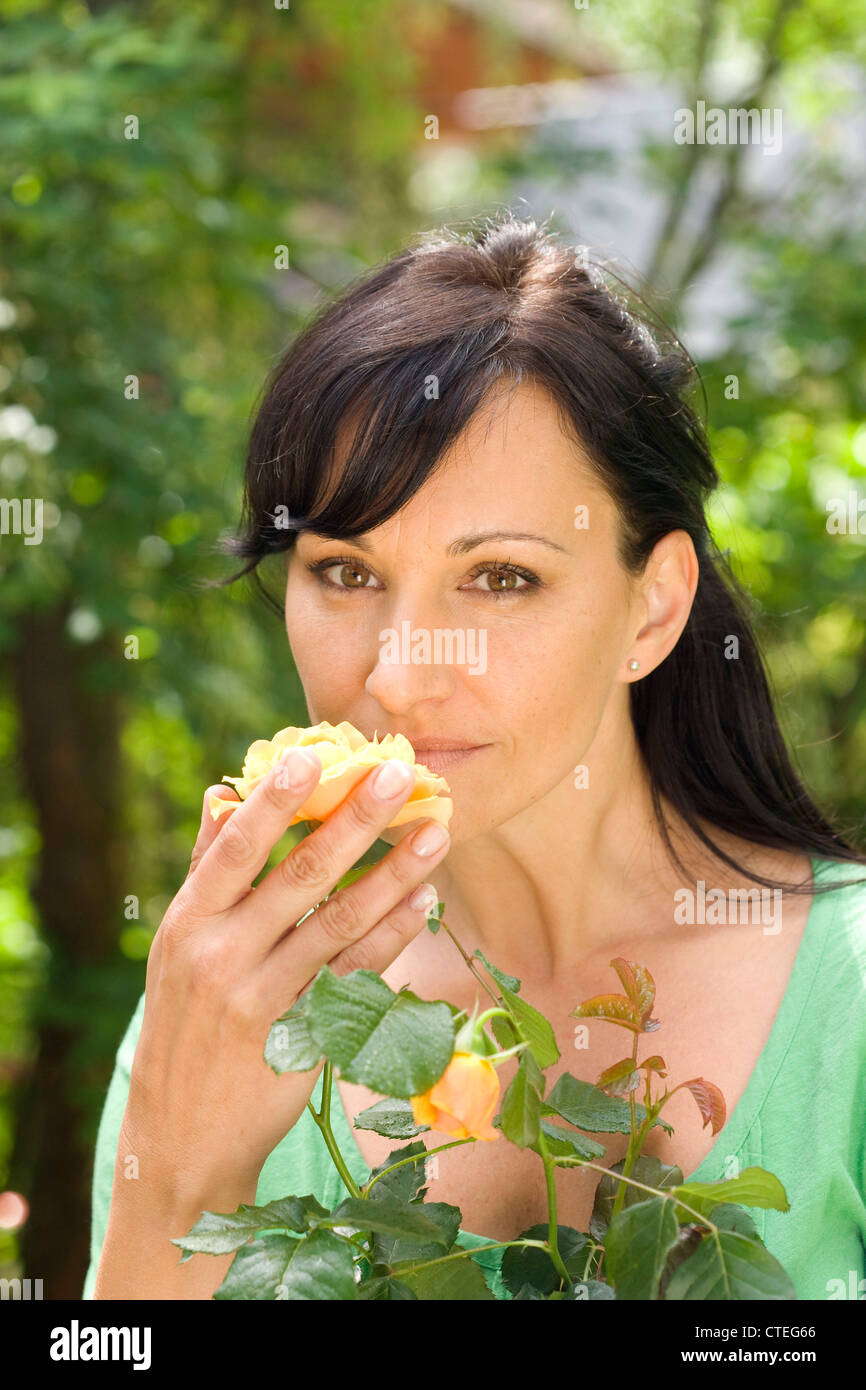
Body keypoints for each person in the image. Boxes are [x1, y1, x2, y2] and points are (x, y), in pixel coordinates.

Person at [85, 213, 866, 1301]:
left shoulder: (848, 997)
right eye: (345, 573)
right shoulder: (232, 998)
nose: (399, 676)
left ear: (653, 607)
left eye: (499, 577)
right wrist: (172, 1190)